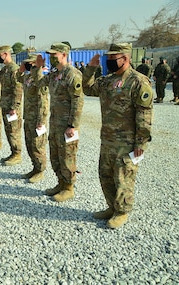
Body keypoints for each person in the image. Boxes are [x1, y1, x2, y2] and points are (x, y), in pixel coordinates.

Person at [82, 43, 153, 229]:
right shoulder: (107, 81)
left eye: (113, 59)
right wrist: (91, 68)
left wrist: (141, 143)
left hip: (127, 142)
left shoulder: (138, 82)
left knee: (123, 178)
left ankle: (122, 212)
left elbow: (144, 114)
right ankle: (111, 207)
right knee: (105, 175)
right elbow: (87, 88)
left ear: (126, 58)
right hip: (107, 139)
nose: (110, 62)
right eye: (109, 59)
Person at [33, 42, 84, 202]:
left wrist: (72, 125)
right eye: (50, 55)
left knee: (67, 157)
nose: (51, 58)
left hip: (67, 125)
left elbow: (78, 102)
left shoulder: (72, 74)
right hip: (55, 123)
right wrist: (38, 68)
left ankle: (69, 188)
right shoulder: (55, 74)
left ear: (63, 55)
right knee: (55, 155)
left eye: (54, 55)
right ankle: (60, 183)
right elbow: (40, 84)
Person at [17, 55, 49, 183]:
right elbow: (17, 78)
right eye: (27, 63)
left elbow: (43, 101)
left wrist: (41, 121)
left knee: (37, 145)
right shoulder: (28, 77)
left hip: (37, 118)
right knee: (29, 144)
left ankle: (40, 170)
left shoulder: (40, 78)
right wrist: (21, 69)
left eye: (30, 63)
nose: (28, 65)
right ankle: (35, 168)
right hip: (28, 117)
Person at [0, 45, 23, 166]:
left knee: (14, 131)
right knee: (8, 130)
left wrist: (14, 108)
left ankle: (17, 154)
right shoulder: (5, 69)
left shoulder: (14, 69)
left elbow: (18, 89)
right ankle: (13, 152)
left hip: (12, 108)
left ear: (6, 54)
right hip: (5, 105)